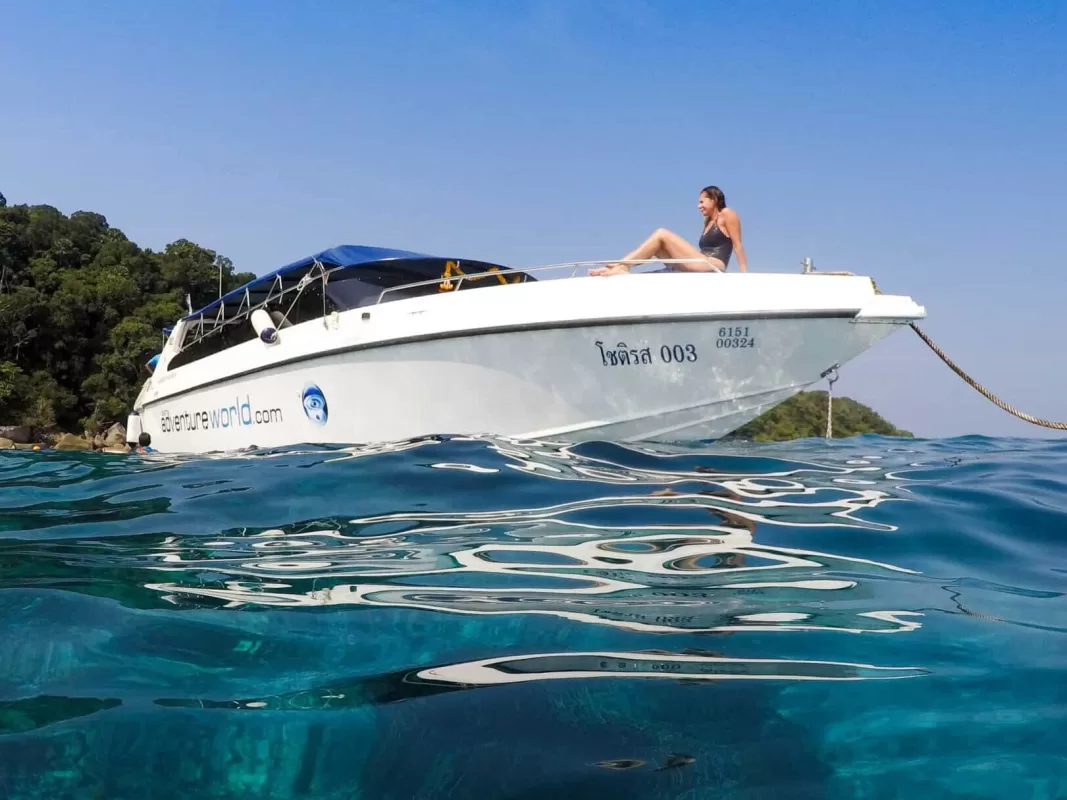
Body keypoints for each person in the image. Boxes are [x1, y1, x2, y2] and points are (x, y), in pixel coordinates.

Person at [590, 185, 748, 276]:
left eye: (702, 202)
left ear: (713, 200)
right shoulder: (707, 221)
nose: (698, 206)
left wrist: (744, 275)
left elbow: (737, 245)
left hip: (714, 265)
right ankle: (620, 267)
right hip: (700, 263)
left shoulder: (727, 214)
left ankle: (622, 265)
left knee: (662, 234)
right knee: (659, 247)